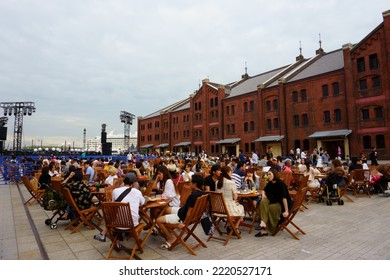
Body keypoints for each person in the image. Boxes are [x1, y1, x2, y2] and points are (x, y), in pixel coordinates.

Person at [93, 172, 146, 245]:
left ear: (124, 181)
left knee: (117, 214)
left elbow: (114, 205)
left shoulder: (115, 191)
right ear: (133, 183)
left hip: (117, 224)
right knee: (125, 215)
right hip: (132, 224)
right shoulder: (137, 192)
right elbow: (143, 203)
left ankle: (115, 240)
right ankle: (114, 239)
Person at [156, 174, 204, 250]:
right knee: (166, 209)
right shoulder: (202, 193)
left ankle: (171, 238)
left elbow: (189, 212)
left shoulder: (193, 196)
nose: (189, 183)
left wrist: (184, 223)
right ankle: (168, 230)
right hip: (185, 212)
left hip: (181, 216)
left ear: (195, 184)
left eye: (191, 182)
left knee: (158, 220)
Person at [255, 168, 292, 237]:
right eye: (267, 174)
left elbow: (284, 198)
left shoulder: (280, 184)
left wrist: (286, 210)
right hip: (272, 200)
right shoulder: (270, 183)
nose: (268, 176)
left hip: (281, 203)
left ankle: (270, 228)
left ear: (274, 175)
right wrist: (263, 194)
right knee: (263, 202)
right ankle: (263, 224)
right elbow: (264, 190)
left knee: (271, 208)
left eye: (270, 174)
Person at [144, 165, 181, 231]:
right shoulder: (162, 182)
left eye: (159, 174)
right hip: (167, 202)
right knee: (153, 208)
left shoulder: (168, 181)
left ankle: (161, 227)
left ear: (164, 173)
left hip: (172, 203)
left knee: (154, 209)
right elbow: (154, 187)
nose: (158, 175)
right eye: (157, 174)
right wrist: (157, 178)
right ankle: (158, 226)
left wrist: (156, 198)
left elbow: (167, 196)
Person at [216, 166, 245, 231]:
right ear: (227, 172)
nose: (231, 173)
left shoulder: (217, 182)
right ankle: (235, 228)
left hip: (218, 208)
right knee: (241, 207)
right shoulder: (231, 182)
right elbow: (235, 197)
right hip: (228, 208)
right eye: (231, 171)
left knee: (237, 207)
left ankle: (230, 226)